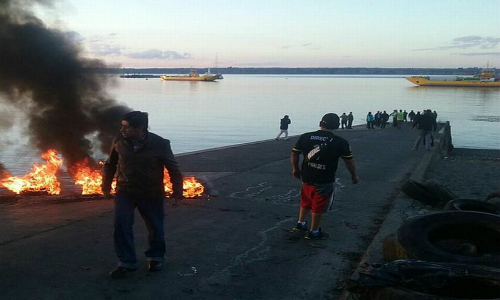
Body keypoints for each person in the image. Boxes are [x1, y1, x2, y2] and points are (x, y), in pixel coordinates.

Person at [102, 111, 183, 279]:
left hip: (151, 192)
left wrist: (177, 192)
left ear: (140, 128)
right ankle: (126, 262)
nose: (122, 130)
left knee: (155, 227)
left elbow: (173, 169)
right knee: (121, 225)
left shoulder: (160, 144)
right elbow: (110, 164)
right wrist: (106, 185)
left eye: (126, 127)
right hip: (125, 191)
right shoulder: (119, 142)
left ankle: (155, 258)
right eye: (122, 126)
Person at [290, 113, 359, 240]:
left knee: (306, 200)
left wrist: (295, 169)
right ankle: (314, 231)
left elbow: (294, 154)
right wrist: (354, 176)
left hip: (306, 176)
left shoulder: (306, 136)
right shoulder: (341, 142)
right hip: (325, 179)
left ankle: (301, 223)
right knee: (319, 204)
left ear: (320, 123)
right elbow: (349, 161)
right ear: (337, 126)